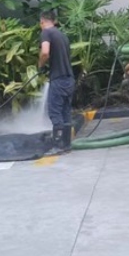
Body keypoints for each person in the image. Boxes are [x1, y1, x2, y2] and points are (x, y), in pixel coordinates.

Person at [38, 10, 75, 153]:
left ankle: (58, 145)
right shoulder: (62, 36)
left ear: (42, 22)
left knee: (55, 112)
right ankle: (67, 144)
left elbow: (45, 52)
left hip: (58, 80)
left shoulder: (46, 33)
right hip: (69, 79)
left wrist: (40, 65)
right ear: (55, 21)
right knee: (66, 112)